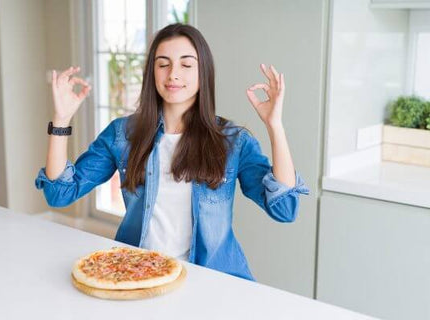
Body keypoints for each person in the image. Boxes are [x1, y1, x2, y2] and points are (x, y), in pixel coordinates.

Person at [35, 23, 309, 281]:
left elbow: (285, 209)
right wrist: (61, 120)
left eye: (186, 64)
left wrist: (274, 125)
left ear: (204, 72)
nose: (173, 74)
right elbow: (59, 193)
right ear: (152, 73)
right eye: (163, 64)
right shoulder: (122, 135)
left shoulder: (232, 141)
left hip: (214, 282)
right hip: (140, 277)